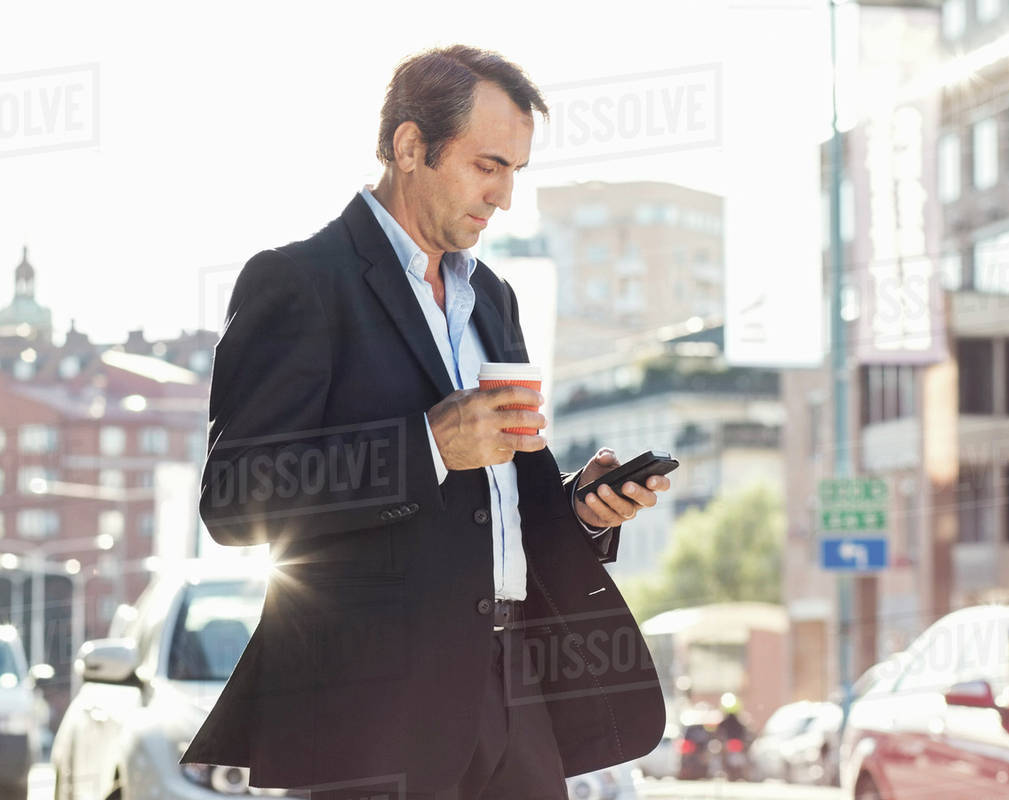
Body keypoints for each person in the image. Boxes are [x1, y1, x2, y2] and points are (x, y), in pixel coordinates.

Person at [179, 45, 672, 799]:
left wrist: (579, 506)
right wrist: (427, 447)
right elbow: (235, 499)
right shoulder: (301, 283)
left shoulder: (494, 298)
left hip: (516, 691)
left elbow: (491, 503)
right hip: (377, 707)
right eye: (487, 165)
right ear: (410, 147)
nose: (504, 196)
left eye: (515, 171)